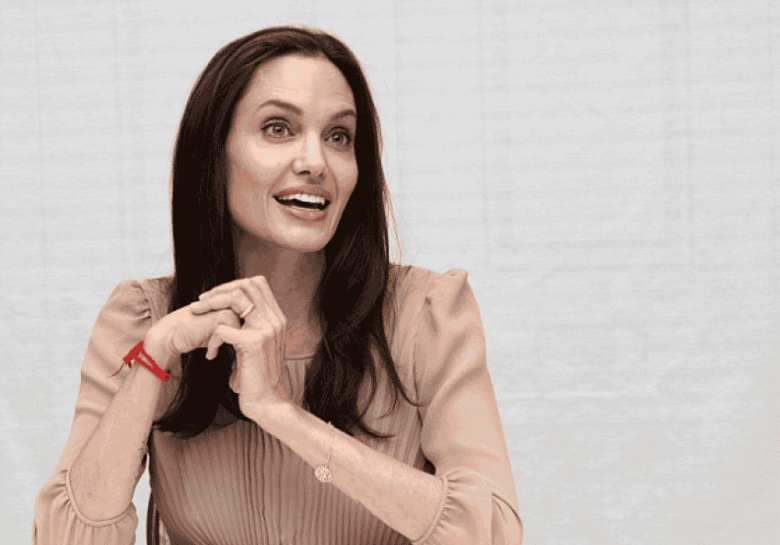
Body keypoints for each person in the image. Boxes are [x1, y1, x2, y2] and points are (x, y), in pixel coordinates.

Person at [32, 26, 522, 545]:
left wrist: (281, 415)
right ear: (214, 153)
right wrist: (153, 362)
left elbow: (491, 531)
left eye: (339, 136)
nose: (316, 162)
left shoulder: (426, 315)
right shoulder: (145, 320)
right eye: (278, 128)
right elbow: (64, 538)